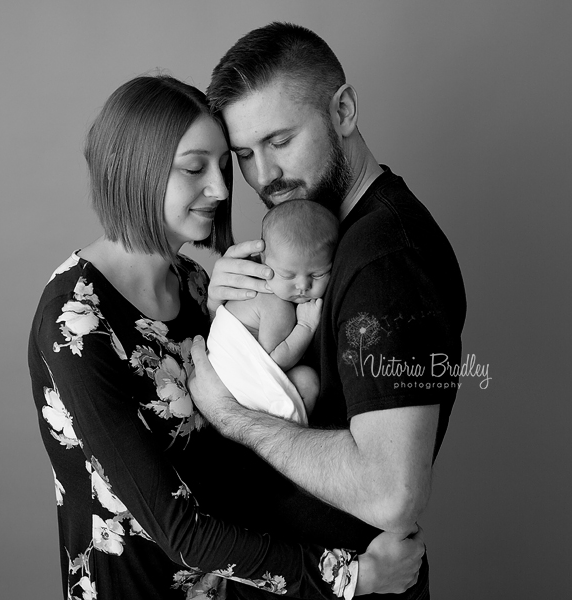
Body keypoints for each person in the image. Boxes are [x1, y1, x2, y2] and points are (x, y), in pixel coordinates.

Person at [28, 74, 424, 600]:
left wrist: (235, 318)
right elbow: (178, 530)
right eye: (195, 168)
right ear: (135, 171)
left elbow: (240, 441)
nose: (220, 189)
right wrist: (354, 576)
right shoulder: (75, 322)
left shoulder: (196, 284)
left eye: (222, 166)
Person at [189, 23, 467, 599]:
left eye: (280, 141)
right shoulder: (320, 240)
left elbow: (394, 491)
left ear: (343, 110)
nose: (263, 176)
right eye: (245, 154)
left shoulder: (385, 261)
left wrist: (232, 415)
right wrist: (233, 324)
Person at [207, 199, 338, 424]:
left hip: (224, 384)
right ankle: (289, 432)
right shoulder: (275, 304)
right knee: (307, 380)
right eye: (288, 276)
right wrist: (305, 327)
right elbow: (275, 362)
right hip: (235, 387)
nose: (303, 286)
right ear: (264, 262)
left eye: (318, 275)